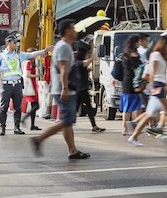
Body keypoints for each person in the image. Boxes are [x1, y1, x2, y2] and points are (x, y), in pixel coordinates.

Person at [30, 20, 90, 159]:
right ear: (68, 31)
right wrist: (65, 88)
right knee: (66, 121)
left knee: (67, 122)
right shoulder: (63, 47)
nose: (75, 31)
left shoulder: (65, 46)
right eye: (73, 29)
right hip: (63, 89)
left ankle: (73, 150)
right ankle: (39, 139)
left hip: (66, 88)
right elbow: (63, 68)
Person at [0, 34, 53, 136]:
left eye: (17, 42)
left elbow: (32, 55)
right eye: (14, 42)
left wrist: (44, 51)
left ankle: (17, 128)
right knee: (4, 108)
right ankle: (2, 128)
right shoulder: (0, 56)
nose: (16, 44)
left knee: (18, 108)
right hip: (6, 85)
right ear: (8, 43)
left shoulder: (19, 55)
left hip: (17, 85)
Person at [128, 36, 167, 146]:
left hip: (160, 85)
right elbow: (152, 72)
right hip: (158, 85)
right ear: (163, 45)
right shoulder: (156, 55)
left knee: (151, 114)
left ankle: (134, 136)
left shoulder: (162, 56)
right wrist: (153, 87)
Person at [74, 45, 105, 133]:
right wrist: (93, 57)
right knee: (82, 108)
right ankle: (65, 124)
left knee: (83, 108)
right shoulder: (79, 63)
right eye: (86, 54)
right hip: (81, 89)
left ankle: (94, 126)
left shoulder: (77, 63)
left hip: (81, 89)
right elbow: (86, 63)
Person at [120, 35, 142, 135]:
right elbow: (137, 69)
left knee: (127, 107)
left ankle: (124, 128)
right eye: (138, 42)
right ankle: (134, 128)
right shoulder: (134, 55)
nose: (139, 44)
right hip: (134, 82)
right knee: (135, 107)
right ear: (135, 43)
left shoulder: (124, 54)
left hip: (126, 82)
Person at [21, 49, 42, 131]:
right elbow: (28, 74)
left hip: (32, 86)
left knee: (34, 106)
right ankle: (25, 118)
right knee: (36, 106)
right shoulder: (29, 63)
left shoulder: (30, 63)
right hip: (31, 87)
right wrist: (37, 75)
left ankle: (32, 125)